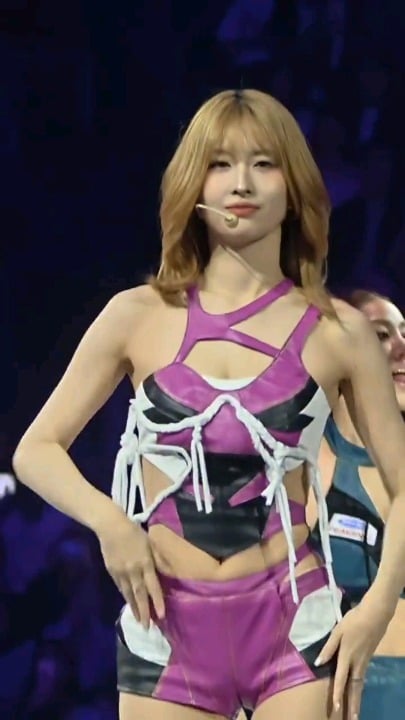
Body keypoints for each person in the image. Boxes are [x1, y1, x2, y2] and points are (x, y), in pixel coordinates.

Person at [12, 88, 405, 720]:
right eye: (220, 163)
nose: (240, 182)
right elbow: (35, 450)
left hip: (295, 624)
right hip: (165, 627)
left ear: (293, 186)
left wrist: (377, 607)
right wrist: (113, 524)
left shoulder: (340, 332)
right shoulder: (136, 315)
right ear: (193, 184)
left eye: (263, 163)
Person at [308, 289, 405, 719]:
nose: (401, 348)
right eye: (381, 335)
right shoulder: (306, 464)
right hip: (340, 698)